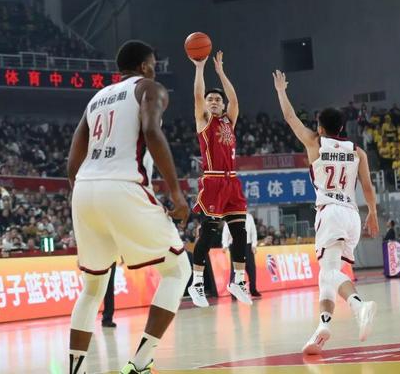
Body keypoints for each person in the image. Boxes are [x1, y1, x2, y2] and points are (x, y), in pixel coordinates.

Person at [66, 40, 191, 374]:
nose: (155, 71)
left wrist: (84, 193)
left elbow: (74, 154)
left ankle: (75, 371)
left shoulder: (96, 99)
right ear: (146, 66)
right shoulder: (149, 88)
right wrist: (176, 193)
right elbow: (151, 131)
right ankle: (140, 361)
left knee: (92, 288)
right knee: (178, 270)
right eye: (153, 65)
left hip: (84, 189)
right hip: (122, 184)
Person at [273, 70, 379, 355]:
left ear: (319, 128)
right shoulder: (358, 151)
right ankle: (323, 326)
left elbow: (290, 118)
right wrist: (372, 213)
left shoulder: (315, 143)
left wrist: (281, 91)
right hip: (352, 214)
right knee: (327, 275)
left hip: (330, 212)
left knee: (330, 272)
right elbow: (367, 186)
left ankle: (359, 306)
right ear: (342, 127)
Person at [187, 51, 252, 307]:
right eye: (210, 99)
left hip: (232, 181)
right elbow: (197, 96)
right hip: (213, 181)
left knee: (240, 232)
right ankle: (197, 283)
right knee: (209, 233)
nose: (213, 101)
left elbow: (234, 99)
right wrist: (199, 68)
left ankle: (239, 281)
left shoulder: (228, 121)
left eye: (217, 99)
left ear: (222, 105)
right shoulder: (203, 121)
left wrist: (221, 72)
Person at [222, 212, 261, 298]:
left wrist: (254, 245)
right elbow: (225, 232)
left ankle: (253, 290)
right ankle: (233, 292)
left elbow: (253, 231)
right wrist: (225, 245)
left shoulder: (249, 216)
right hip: (234, 244)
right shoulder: (230, 216)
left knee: (251, 268)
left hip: (247, 245)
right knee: (235, 269)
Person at [101, 262, 117, 328]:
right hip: (96, 259)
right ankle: (107, 318)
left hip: (110, 260)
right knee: (92, 289)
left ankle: (107, 318)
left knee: (109, 287)